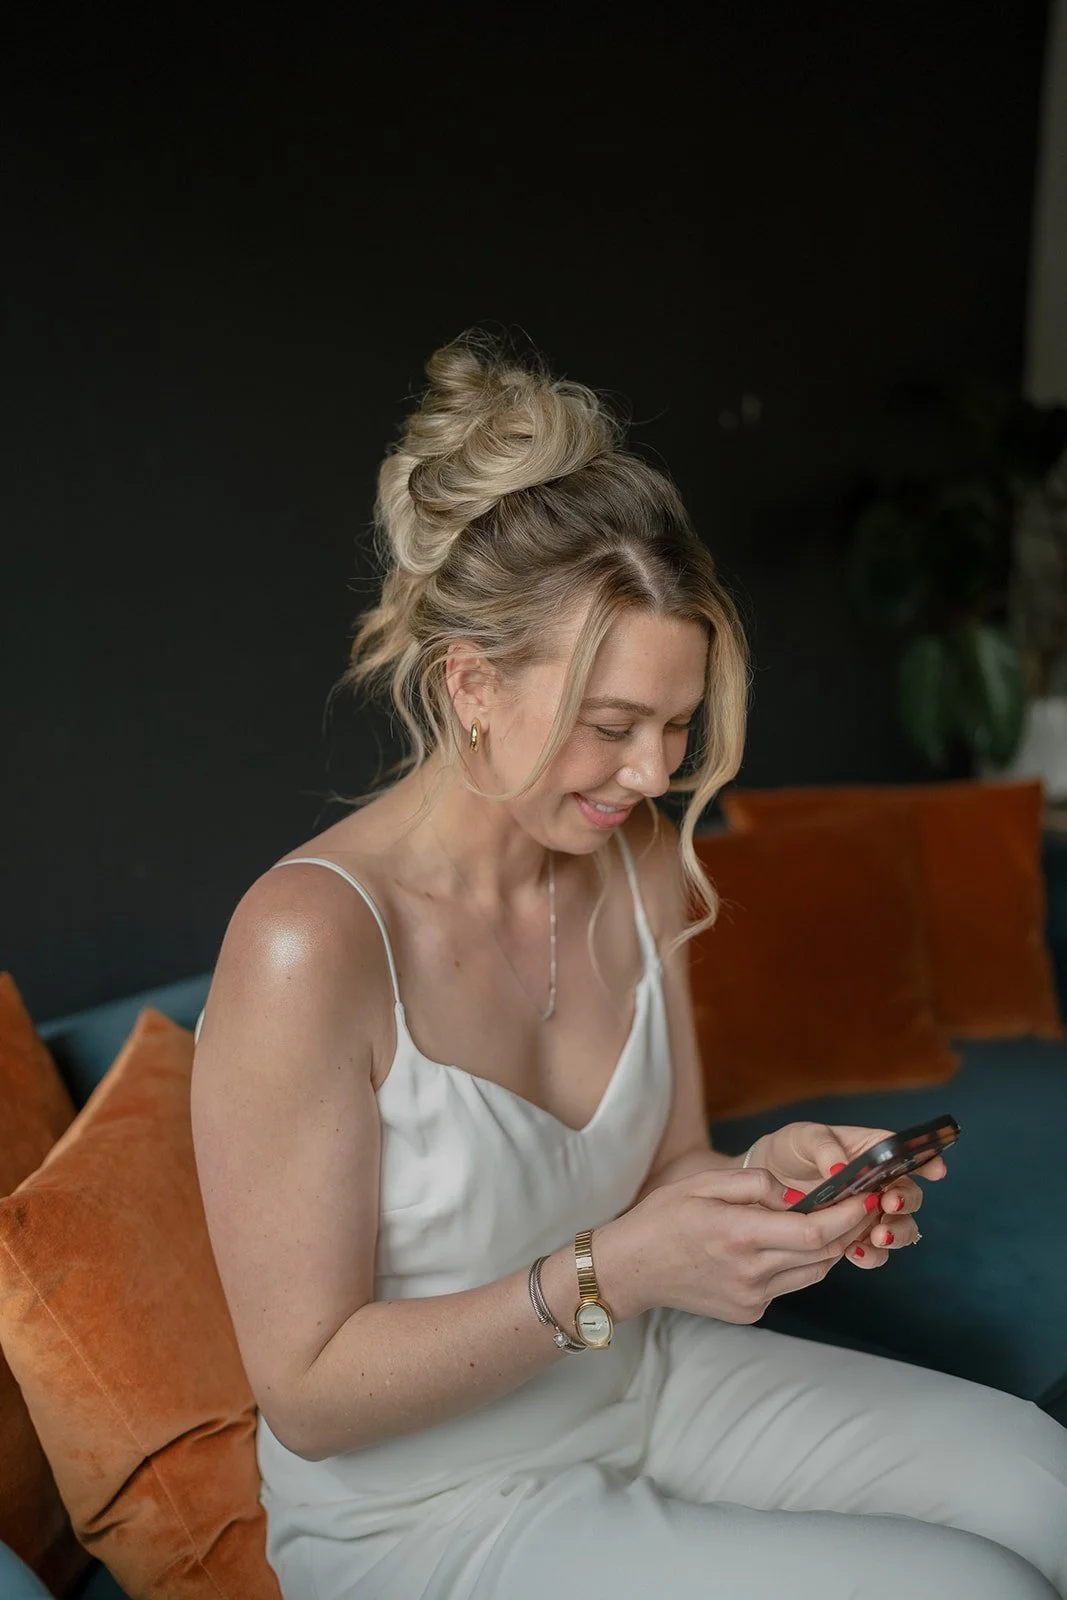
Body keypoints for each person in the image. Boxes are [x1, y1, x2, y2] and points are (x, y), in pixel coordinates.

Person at [190, 335, 1067, 1600]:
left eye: (675, 726)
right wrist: (615, 1271)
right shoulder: (307, 943)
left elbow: (668, 1172)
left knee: (1044, 1484)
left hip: (645, 1378)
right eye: (611, 728)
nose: (656, 775)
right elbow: (311, 1393)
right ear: (470, 682)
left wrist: (766, 1188)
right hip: (429, 1509)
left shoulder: (639, 861)